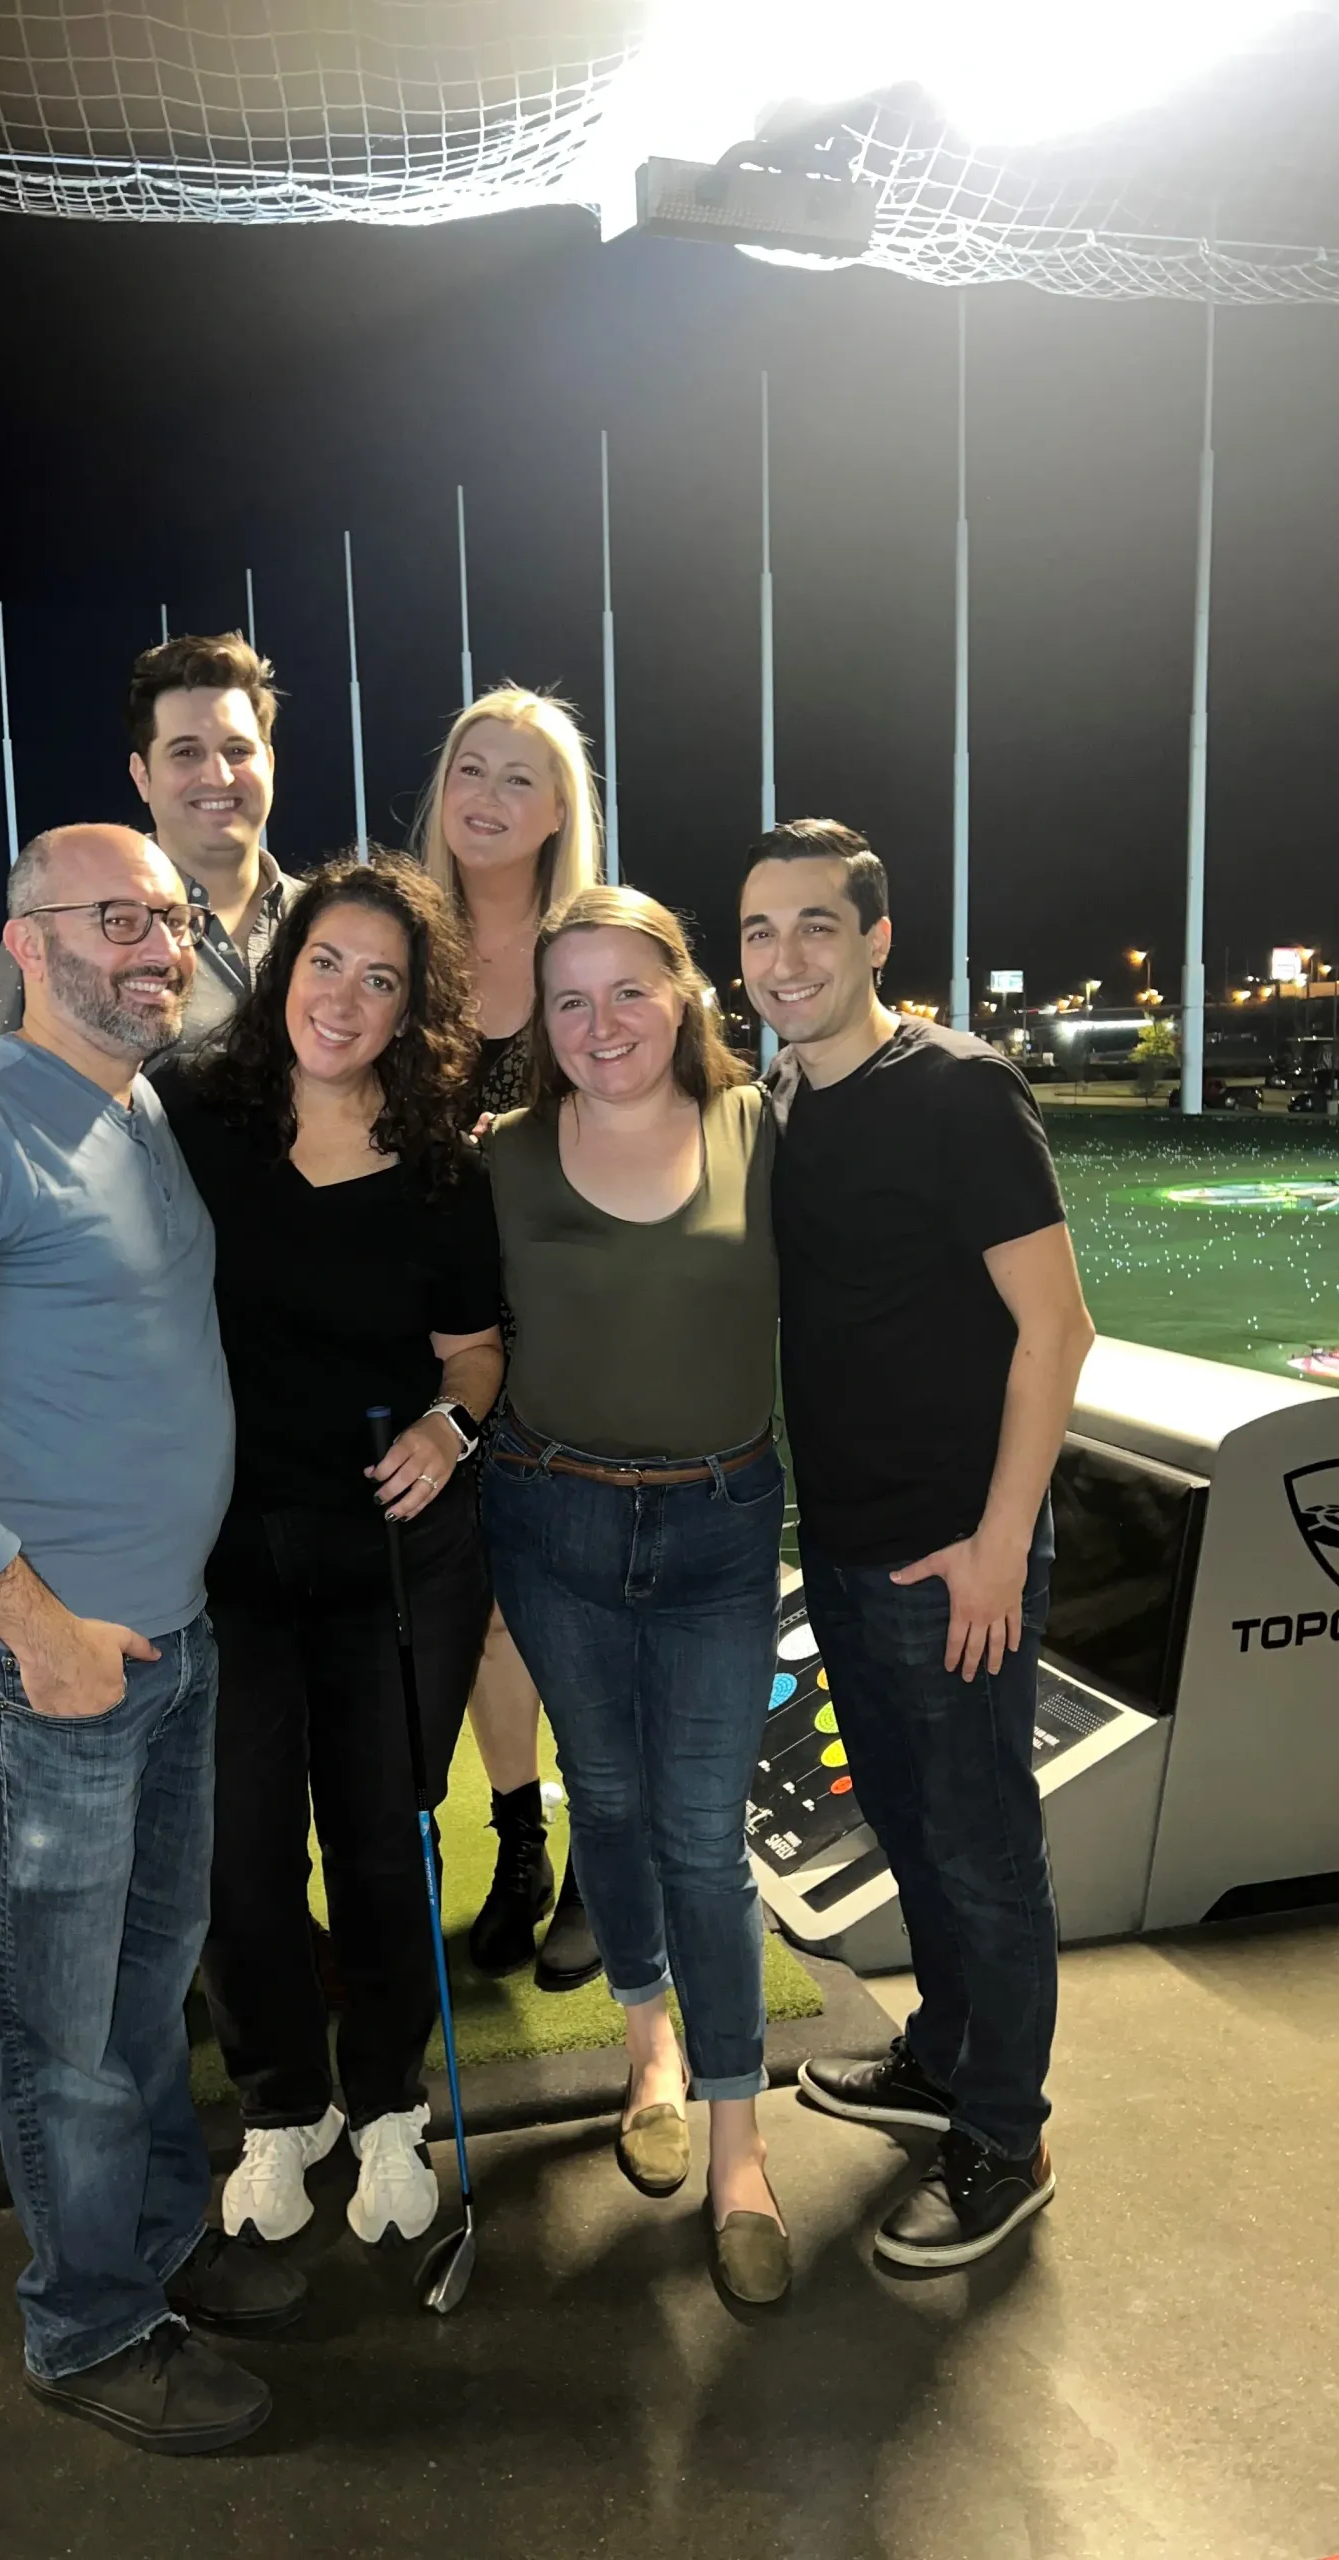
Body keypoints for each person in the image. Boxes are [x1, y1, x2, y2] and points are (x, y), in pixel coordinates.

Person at [0, 823, 301, 2458]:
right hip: (44, 1676)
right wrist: (38, 1631)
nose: (155, 945)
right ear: (27, 941)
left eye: (168, 917)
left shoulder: (138, 1107)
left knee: (146, 1992)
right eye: (114, 918)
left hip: (167, 1647)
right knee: (65, 2027)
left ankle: (155, 2245)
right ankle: (89, 2324)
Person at [739, 818, 1095, 2269]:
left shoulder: (957, 1088)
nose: (785, 958)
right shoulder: (786, 1097)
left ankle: (1005, 2136)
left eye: (816, 926)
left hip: (957, 1552)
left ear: (878, 938)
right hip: (847, 1546)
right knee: (911, 1823)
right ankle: (946, 2059)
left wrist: (1001, 1543)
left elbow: (1059, 1328)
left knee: (983, 1845)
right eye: (759, 931)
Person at [155, 853, 502, 2254]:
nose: (345, 998)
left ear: (412, 1008)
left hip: (391, 1564)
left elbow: (474, 1355)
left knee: (381, 1844)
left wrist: (446, 1428)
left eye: (381, 979)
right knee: (240, 1856)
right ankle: (282, 2104)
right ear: (281, 970)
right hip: (223, 1557)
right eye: (325, 964)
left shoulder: (441, 1163)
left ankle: (388, 2104)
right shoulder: (190, 1114)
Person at [480, 884, 791, 2307]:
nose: (600, 1025)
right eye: (569, 1000)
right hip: (553, 1520)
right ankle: (647, 2046)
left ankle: (740, 2145)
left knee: (704, 1838)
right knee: (603, 1800)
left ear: (683, 994)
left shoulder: (763, 1132)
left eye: (627, 991)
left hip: (721, 1525)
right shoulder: (502, 1156)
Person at [413, 687, 605, 1988]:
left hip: (572, 1324)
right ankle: (521, 1844)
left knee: (574, 1605)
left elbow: (660, 1109)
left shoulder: (592, 944)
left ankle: (599, 1866)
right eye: (469, 768)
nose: (485, 796)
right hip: (441, 1331)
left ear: (557, 812)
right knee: (482, 1613)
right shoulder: (399, 942)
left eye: (517, 778)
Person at [0, 631, 291, 1058]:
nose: (219, 776)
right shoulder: (63, 921)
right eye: (186, 753)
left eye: (237, 751)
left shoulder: (324, 920)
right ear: (142, 777)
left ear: (269, 764)